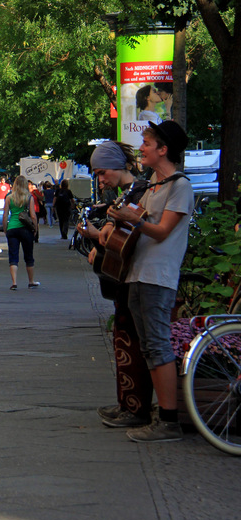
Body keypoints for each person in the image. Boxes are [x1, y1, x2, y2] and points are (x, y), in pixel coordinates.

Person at [104, 120, 193, 443]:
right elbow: (136, 220)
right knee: (148, 346)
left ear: (163, 149)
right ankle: (152, 410)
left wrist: (134, 218)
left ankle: (169, 420)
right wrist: (117, 219)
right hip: (139, 273)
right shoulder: (154, 183)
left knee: (157, 345)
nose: (141, 148)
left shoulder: (179, 186)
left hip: (158, 276)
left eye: (146, 143)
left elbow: (162, 230)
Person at [77, 141, 152, 429]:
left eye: (101, 172)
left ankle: (135, 407)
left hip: (133, 278)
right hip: (124, 278)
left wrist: (100, 236)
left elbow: (124, 237)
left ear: (115, 167)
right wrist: (99, 236)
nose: (100, 179)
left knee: (131, 340)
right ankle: (127, 402)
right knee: (122, 337)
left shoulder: (138, 192)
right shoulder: (127, 194)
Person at [4, 175, 39, 290]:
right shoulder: (29, 197)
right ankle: (31, 281)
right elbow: (33, 216)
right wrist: (35, 229)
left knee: (13, 256)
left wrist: (6, 229)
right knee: (28, 256)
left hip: (12, 228)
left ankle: (14, 283)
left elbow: (5, 215)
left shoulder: (9, 197)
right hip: (25, 229)